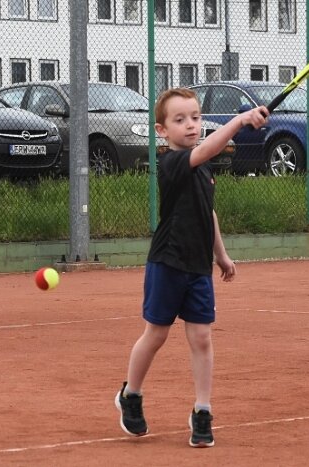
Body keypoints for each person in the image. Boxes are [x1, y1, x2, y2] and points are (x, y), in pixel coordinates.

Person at [115, 88, 268, 448]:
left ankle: (202, 410)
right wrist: (241, 119)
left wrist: (221, 254)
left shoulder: (203, 171)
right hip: (167, 262)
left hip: (198, 266)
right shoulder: (171, 163)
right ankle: (131, 395)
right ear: (161, 130)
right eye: (180, 120)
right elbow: (210, 148)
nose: (190, 125)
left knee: (202, 338)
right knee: (156, 335)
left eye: (196, 118)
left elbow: (207, 212)